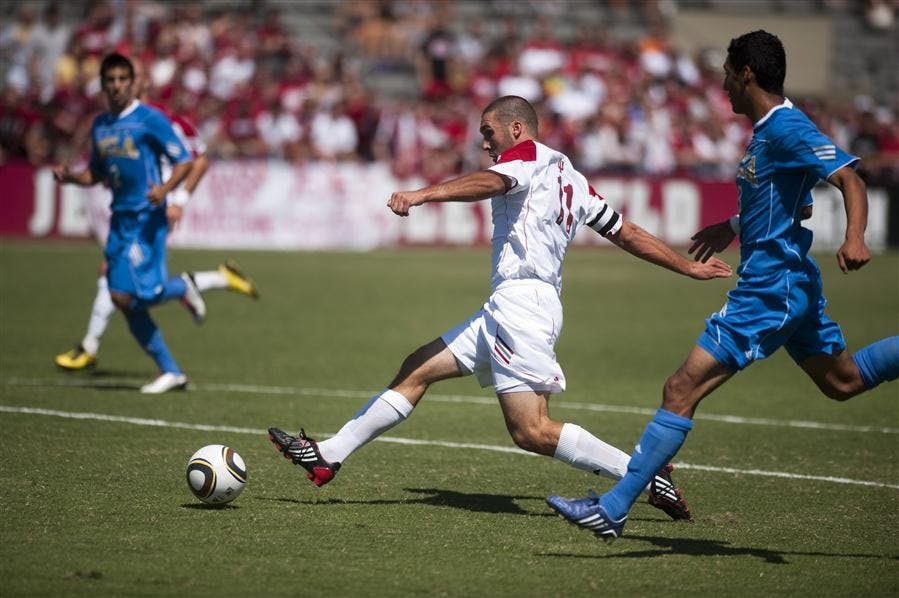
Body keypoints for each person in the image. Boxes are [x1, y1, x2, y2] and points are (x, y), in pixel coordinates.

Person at [267, 95, 733, 519]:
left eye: (488, 133)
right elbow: (625, 232)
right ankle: (329, 454)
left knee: (531, 431)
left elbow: (492, 181)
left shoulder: (524, 158)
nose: (485, 144)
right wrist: (686, 268)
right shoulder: (571, 175)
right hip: (512, 304)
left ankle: (644, 475)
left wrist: (422, 193)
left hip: (523, 306)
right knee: (417, 368)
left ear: (515, 129)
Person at [547, 30, 899, 543]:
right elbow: (785, 201)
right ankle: (616, 506)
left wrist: (854, 238)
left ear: (747, 74)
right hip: (789, 285)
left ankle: (615, 507)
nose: (724, 85)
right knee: (842, 382)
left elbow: (851, 178)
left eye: (728, 74)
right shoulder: (766, 132)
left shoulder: (786, 127)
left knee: (679, 389)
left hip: (770, 290)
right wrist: (732, 227)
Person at [52, 53, 246, 394]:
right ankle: (170, 370)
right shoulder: (101, 125)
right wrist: (71, 178)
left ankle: (185, 288)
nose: (116, 86)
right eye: (110, 80)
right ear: (103, 85)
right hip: (119, 219)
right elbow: (96, 174)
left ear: (131, 83)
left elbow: (185, 160)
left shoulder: (150, 119)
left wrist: (167, 191)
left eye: (122, 80)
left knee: (143, 293)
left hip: (146, 218)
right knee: (121, 298)